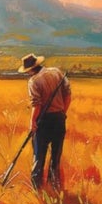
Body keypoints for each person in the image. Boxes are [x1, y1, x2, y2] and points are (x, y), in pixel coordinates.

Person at [20, 53, 71, 191]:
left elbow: (36, 105)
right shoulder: (57, 72)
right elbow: (68, 94)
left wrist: (32, 122)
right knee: (56, 157)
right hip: (59, 120)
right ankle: (54, 187)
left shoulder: (33, 81)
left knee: (39, 157)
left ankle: (37, 190)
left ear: (30, 69)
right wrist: (63, 112)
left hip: (43, 121)